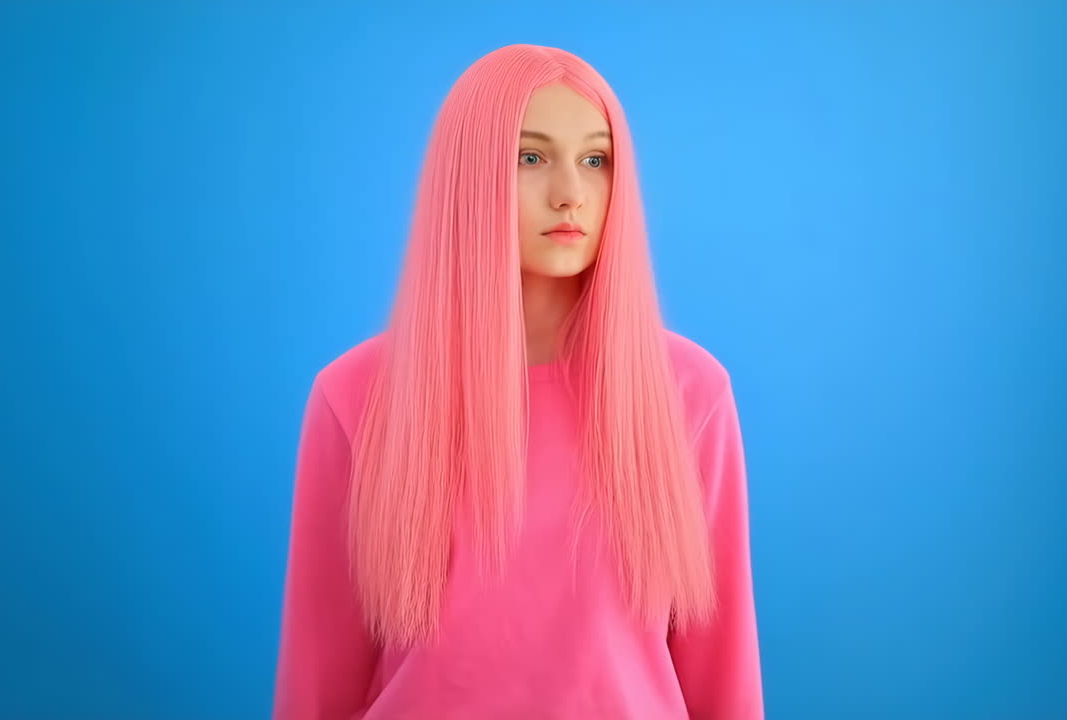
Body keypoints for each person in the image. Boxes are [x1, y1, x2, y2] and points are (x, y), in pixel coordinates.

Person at [271, 43, 764, 719]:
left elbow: (723, 674)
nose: (571, 191)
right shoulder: (354, 398)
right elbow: (317, 680)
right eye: (530, 157)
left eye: (597, 159)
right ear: (467, 174)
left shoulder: (690, 395)